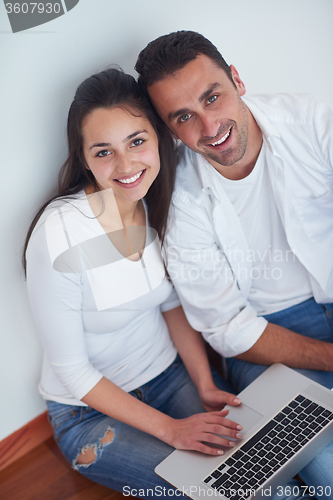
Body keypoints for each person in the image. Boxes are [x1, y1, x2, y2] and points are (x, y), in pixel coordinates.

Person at [23, 68, 244, 498]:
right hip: (87, 414)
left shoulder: (158, 200)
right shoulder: (60, 234)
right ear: (84, 157)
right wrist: (172, 430)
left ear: (158, 137)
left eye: (137, 142)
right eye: (104, 152)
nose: (126, 166)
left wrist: (203, 382)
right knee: (207, 491)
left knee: (254, 469)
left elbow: (169, 304)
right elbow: (71, 371)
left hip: (169, 376)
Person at [135, 31, 333, 497]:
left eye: (212, 97)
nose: (209, 127)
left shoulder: (312, 120)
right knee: (324, 465)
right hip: (269, 336)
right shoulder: (178, 200)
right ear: (170, 129)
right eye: (184, 116)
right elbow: (228, 329)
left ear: (237, 80)